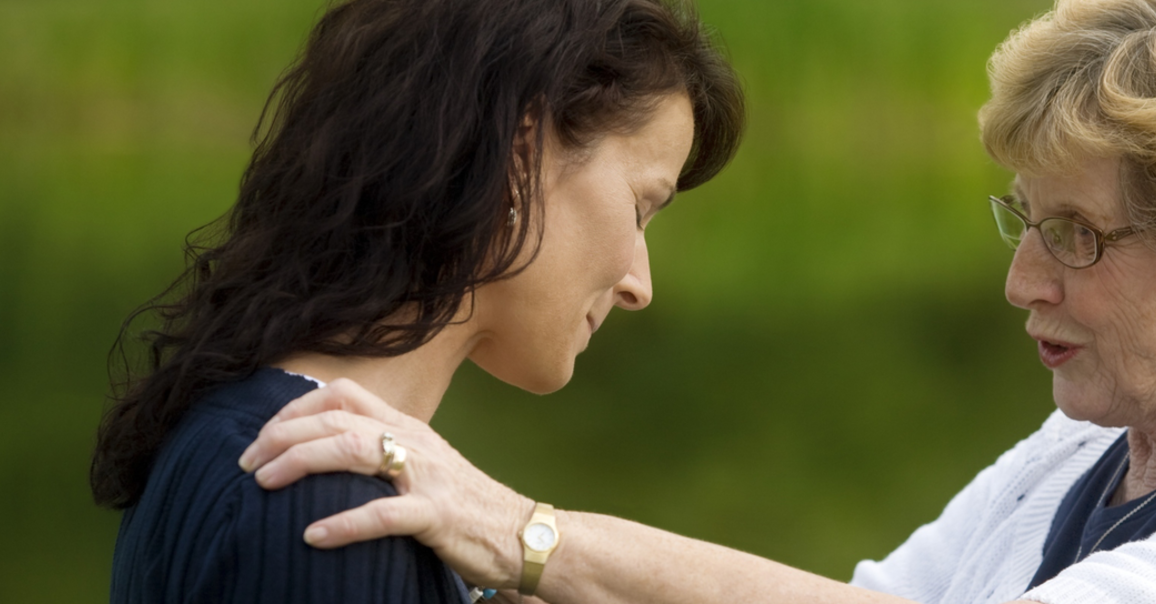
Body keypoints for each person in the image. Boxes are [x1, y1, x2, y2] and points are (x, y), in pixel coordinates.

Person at [234, 0, 1156, 602]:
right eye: (1025, 219)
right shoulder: (1082, 450)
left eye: (1078, 235)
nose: (1024, 279)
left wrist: (523, 531)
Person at [89, 0, 744, 602]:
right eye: (639, 208)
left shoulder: (228, 430)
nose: (639, 285)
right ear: (520, 157)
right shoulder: (331, 501)